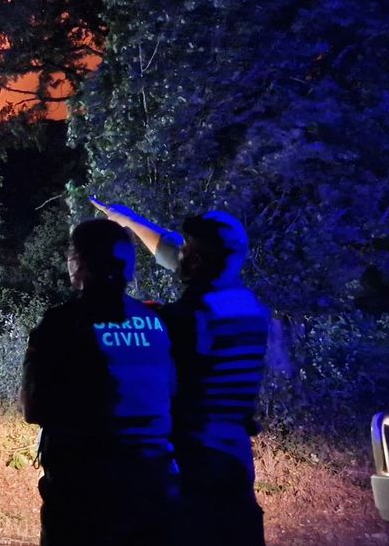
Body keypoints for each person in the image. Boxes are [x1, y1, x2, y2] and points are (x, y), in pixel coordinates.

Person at [93, 197, 269, 546]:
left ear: (200, 260)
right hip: (234, 454)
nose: (182, 252)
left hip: (195, 461)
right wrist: (128, 219)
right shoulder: (248, 306)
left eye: (190, 249)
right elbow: (177, 255)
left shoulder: (191, 317)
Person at [22, 218, 178, 546]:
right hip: (154, 490)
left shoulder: (61, 323)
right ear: (129, 267)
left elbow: (34, 407)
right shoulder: (157, 322)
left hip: (83, 497)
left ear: (78, 263)